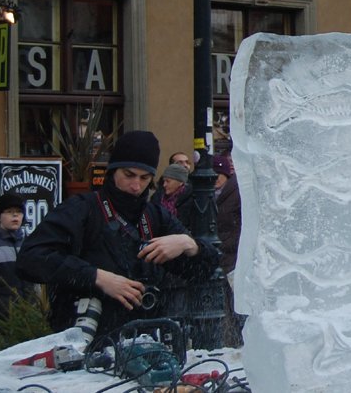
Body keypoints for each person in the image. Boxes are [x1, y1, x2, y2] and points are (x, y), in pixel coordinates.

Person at [17, 130, 220, 337]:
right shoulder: (82, 209)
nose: (135, 186)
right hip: (86, 341)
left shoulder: (155, 216)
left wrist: (189, 245)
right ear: (113, 171)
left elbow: (205, 270)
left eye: (144, 178)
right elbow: (30, 258)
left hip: (145, 340)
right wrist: (96, 277)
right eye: (128, 175)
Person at [0, 193, 38, 334]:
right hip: (0, 324)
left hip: (29, 323)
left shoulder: (28, 244)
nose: (15, 216)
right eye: (9, 212)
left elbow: (36, 285)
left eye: (18, 212)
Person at [213, 154, 244, 346]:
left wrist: (226, 243)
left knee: (237, 303)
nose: (215, 179)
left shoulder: (237, 192)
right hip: (221, 258)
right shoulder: (206, 194)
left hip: (234, 257)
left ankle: (239, 339)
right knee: (224, 304)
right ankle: (229, 340)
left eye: (218, 174)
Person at [152, 162, 195, 228]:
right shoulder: (157, 197)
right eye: (164, 181)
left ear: (180, 182)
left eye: (168, 181)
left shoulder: (191, 199)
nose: (164, 185)